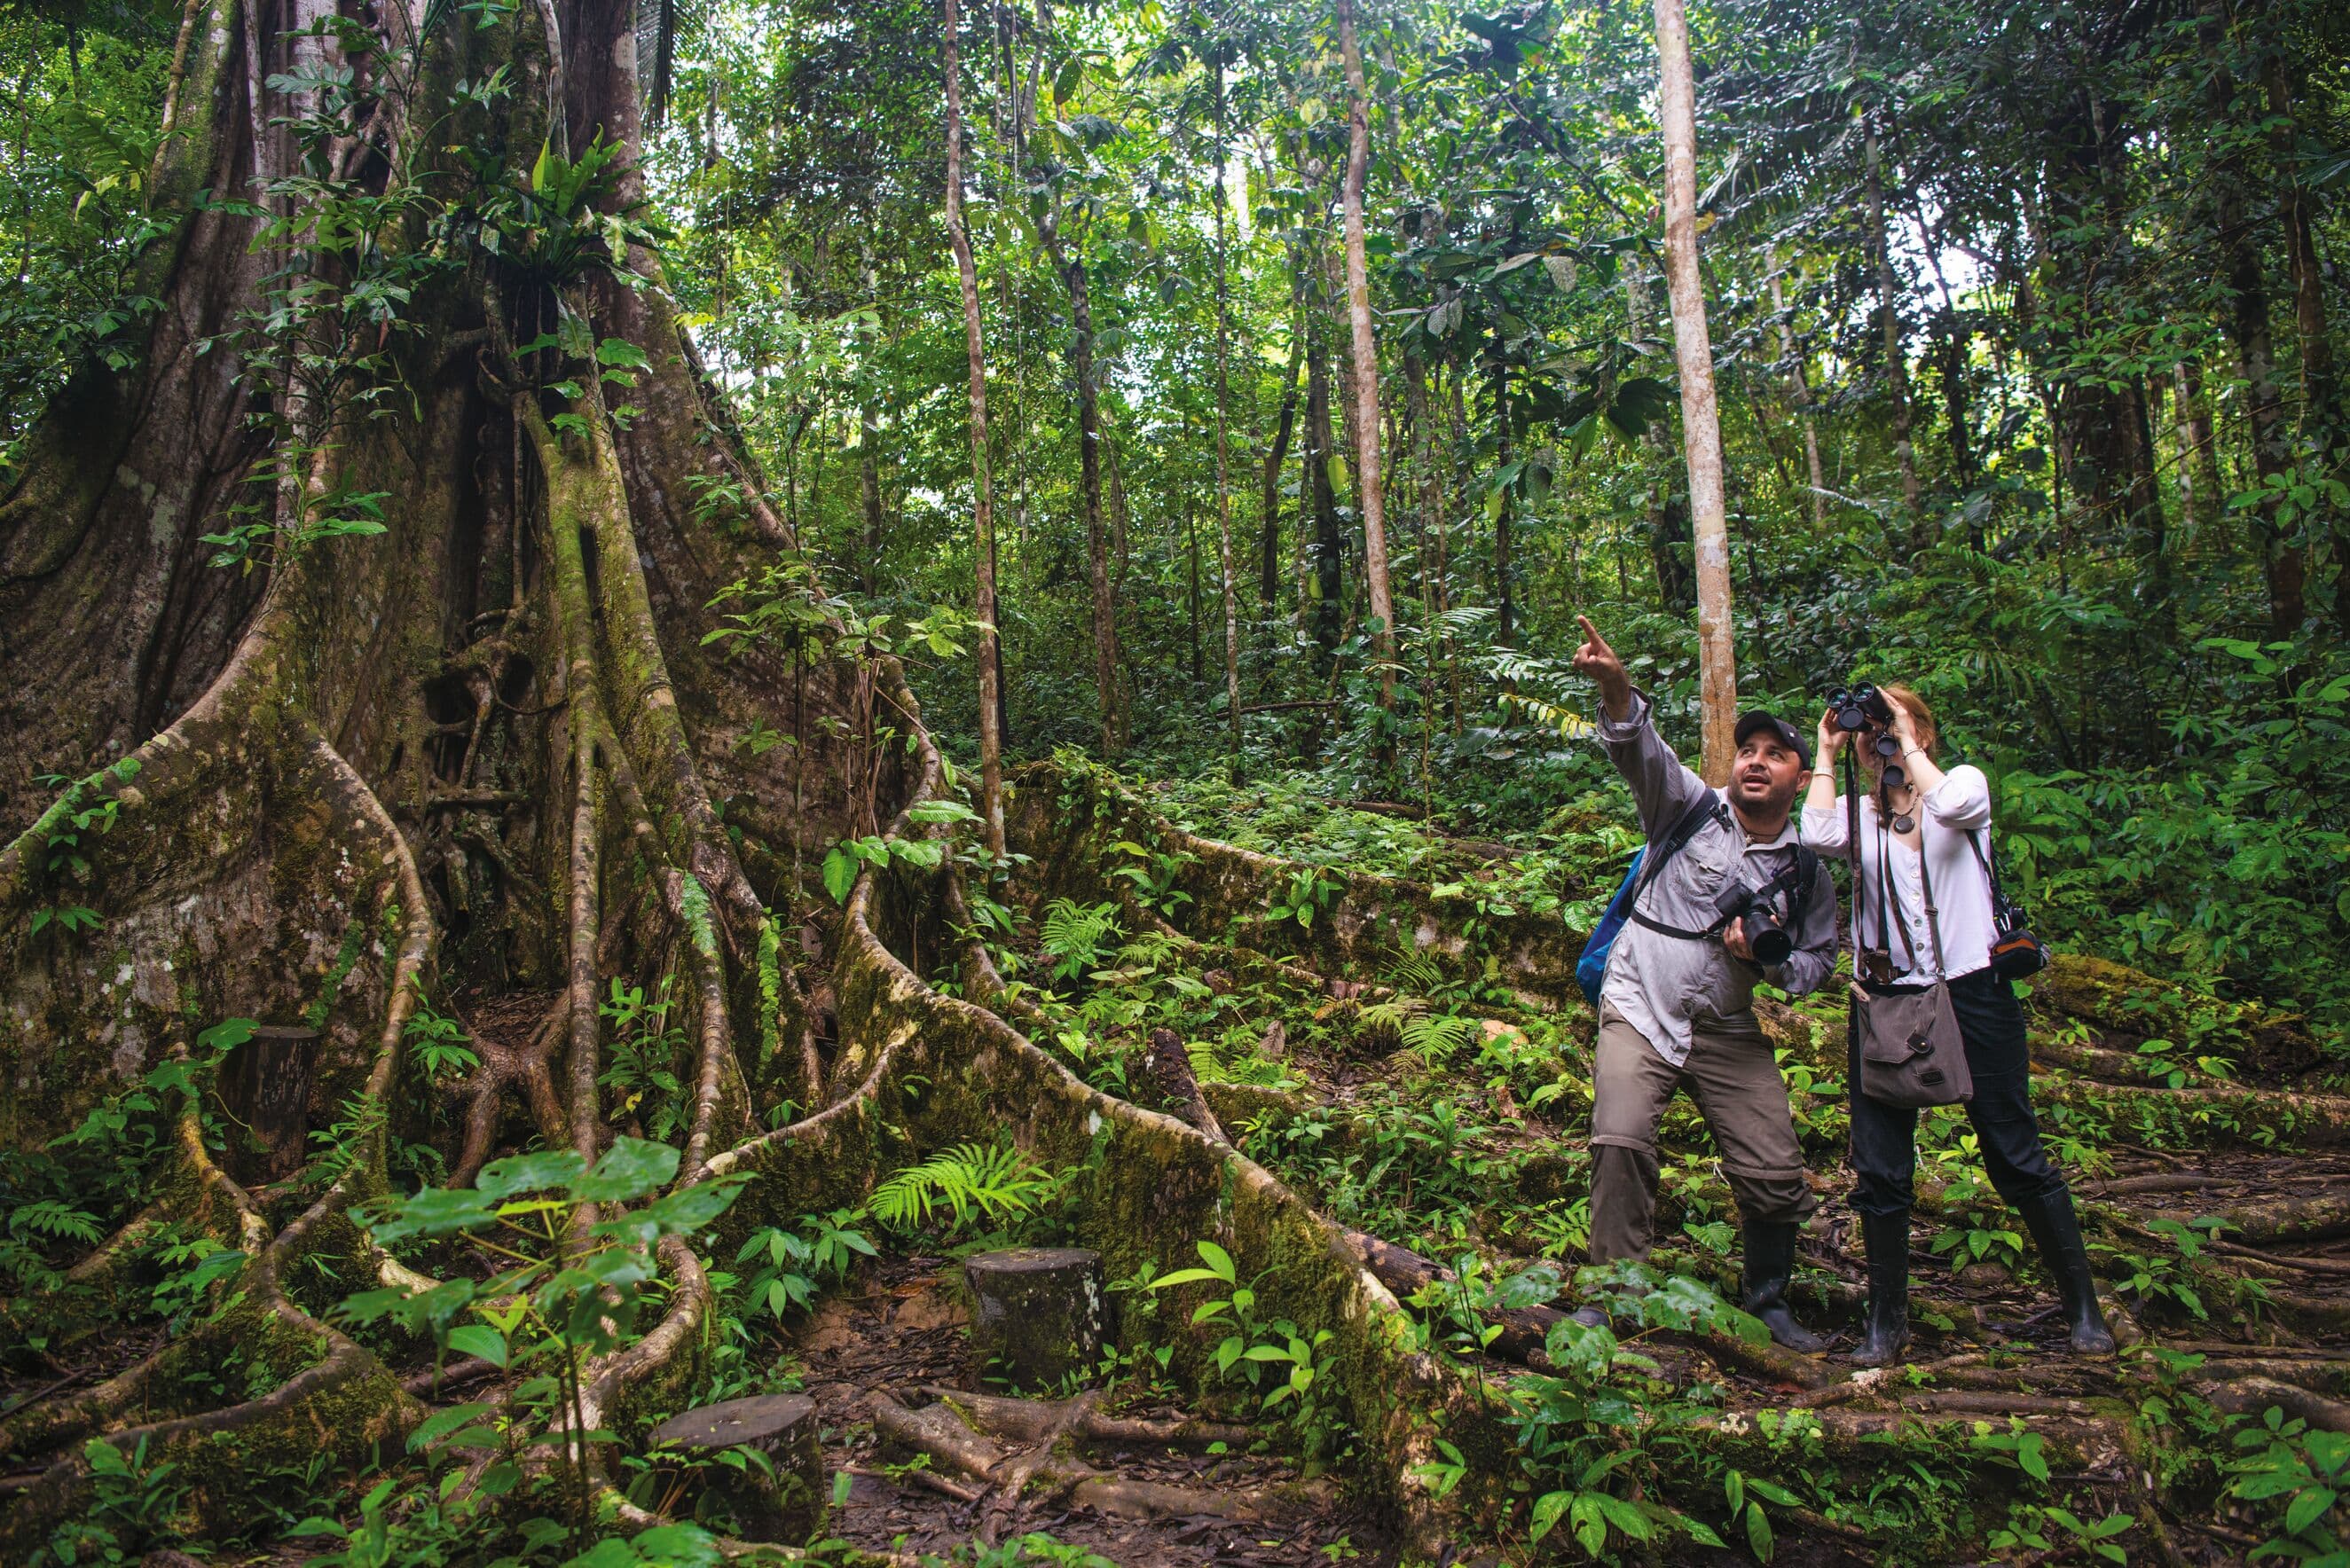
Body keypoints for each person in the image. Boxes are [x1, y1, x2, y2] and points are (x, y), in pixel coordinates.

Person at [1803, 684, 2115, 1364]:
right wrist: (1827, 750)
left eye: (1893, 722)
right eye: (1870, 728)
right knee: (1881, 1168)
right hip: (1885, 1000)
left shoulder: (1960, 784)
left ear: (1922, 731)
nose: (1878, 735)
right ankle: (1885, 1324)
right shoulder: (1859, 814)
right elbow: (1816, 835)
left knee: (2013, 1153)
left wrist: (1903, 739)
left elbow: (1955, 806)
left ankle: (2082, 1309)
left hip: (1975, 990)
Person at [1570, 617, 1838, 1351]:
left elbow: (1817, 966)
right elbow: (1638, 749)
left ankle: (1768, 1300)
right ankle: (1610, 1296)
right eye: (1747, 750)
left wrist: (1767, 960)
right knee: (1620, 1138)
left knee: (1774, 1166)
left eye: (1775, 755)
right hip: (1641, 1000)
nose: (1755, 762)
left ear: (1800, 780)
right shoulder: (1685, 808)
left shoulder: (1806, 871)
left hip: (1724, 1022)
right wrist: (1616, 686)